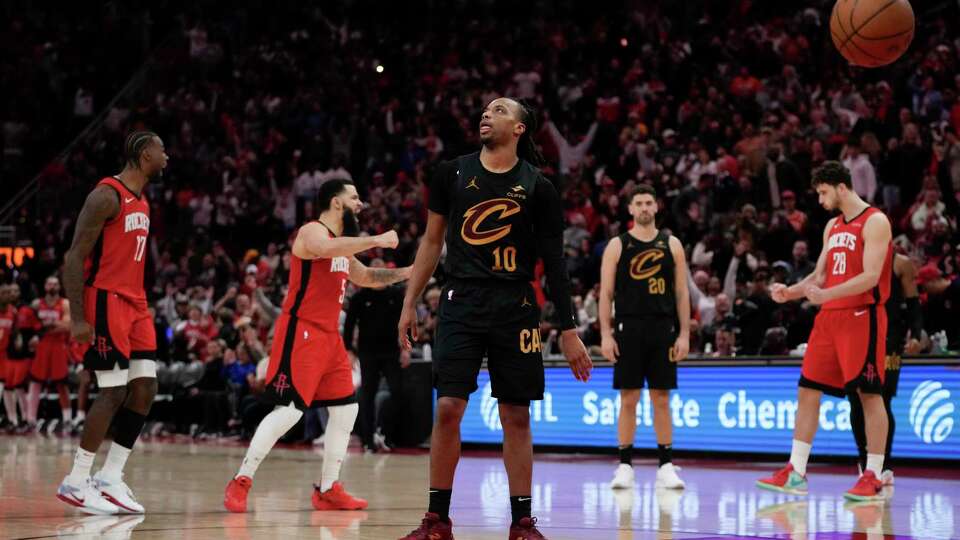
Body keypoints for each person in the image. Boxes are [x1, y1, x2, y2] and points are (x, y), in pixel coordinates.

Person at [396, 97, 592, 540]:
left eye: (500, 110)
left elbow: (555, 264)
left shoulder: (538, 187)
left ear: (520, 129)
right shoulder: (452, 172)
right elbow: (431, 243)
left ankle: (522, 522)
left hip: (515, 305)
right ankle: (437, 520)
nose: (487, 114)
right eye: (485, 109)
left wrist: (569, 327)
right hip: (461, 300)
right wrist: (409, 302)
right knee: (448, 407)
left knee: (516, 415)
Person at [223, 179, 411, 513]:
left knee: (346, 408)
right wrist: (377, 239)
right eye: (354, 197)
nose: (360, 204)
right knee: (290, 412)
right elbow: (324, 250)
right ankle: (241, 480)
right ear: (336, 203)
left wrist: (411, 272)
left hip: (329, 337)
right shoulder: (311, 232)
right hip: (302, 331)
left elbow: (366, 277)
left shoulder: (342, 245)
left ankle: (328, 489)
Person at [757, 161, 893, 502]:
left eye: (823, 192)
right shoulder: (832, 225)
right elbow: (819, 276)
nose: (820, 200)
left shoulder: (875, 221)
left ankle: (874, 473)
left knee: (869, 394)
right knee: (807, 390)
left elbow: (872, 275)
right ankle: (796, 471)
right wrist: (790, 291)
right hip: (829, 320)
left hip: (862, 315)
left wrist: (827, 295)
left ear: (841, 187)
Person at [58, 131, 168, 514]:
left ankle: (110, 476)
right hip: (104, 301)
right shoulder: (105, 195)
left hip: (135, 303)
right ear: (143, 154)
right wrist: (77, 317)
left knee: (146, 387)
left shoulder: (143, 201)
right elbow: (73, 258)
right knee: (112, 392)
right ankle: (76, 481)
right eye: (160, 150)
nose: (166, 156)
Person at [599, 184, 690, 490]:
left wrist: (685, 333)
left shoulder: (672, 244)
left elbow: (681, 292)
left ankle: (666, 464)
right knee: (629, 398)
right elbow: (606, 293)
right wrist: (605, 334)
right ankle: (625, 464)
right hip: (628, 328)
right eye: (638, 203)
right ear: (630, 209)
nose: (644, 208)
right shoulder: (618, 245)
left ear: (657, 206)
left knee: (661, 398)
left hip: (663, 328)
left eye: (649, 202)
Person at [848, 252, 922, 486]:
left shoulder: (901, 263)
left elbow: (913, 304)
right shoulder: (854, 259)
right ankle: (864, 461)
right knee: (854, 399)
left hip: (890, 339)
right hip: (856, 333)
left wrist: (916, 334)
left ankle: (884, 465)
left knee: (882, 399)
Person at [343, 258, 407, 452]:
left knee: (397, 392)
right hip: (367, 353)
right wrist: (349, 351)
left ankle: (386, 434)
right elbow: (349, 325)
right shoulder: (360, 297)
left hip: (391, 353)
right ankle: (367, 439)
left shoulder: (397, 294)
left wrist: (407, 348)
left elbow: (407, 322)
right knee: (367, 396)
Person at [26, 276, 72, 433]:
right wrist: (53, 325)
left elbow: (67, 326)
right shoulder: (37, 304)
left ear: (59, 286)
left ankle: (67, 420)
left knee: (61, 384)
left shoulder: (64, 303)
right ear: (45, 286)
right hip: (42, 346)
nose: (52, 286)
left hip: (58, 345)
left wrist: (47, 325)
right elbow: (31, 326)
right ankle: (30, 419)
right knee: (35, 382)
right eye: (49, 283)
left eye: (55, 284)